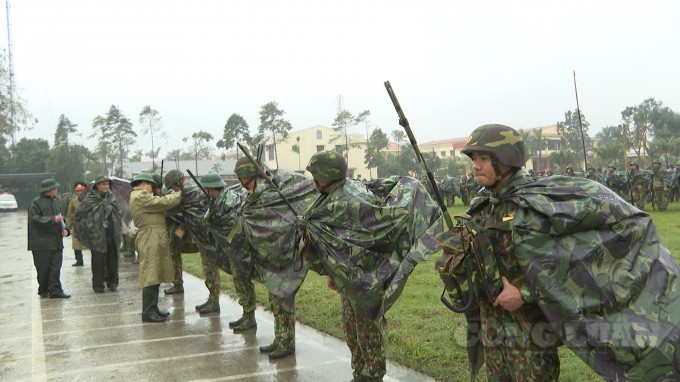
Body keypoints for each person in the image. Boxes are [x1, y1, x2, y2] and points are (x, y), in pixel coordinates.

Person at [436, 124, 680, 382]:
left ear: (506, 159)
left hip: (529, 332)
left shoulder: (542, 204)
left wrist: (524, 294)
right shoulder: (482, 207)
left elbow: (575, 261)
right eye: (474, 159)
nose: (475, 165)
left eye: (483, 158)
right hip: (491, 328)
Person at [300, 151, 442, 381]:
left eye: (315, 173)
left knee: (367, 330)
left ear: (326, 175)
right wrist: (332, 272)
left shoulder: (347, 198)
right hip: (349, 277)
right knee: (351, 328)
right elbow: (337, 243)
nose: (312, 178)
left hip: (366, 278)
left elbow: (360, 237)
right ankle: (360, 372)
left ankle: (372, 374)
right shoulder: (331, 195)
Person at [233, 157, 317, 359]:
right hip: (269, 257)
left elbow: (279, 221)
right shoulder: (256, 195)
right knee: (275, 299)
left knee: (284, 300)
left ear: (250, 177)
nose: (242, 183)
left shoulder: (270, 194)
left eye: (243, 178)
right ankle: (280, 338)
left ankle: (287, 343)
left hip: (284, 256)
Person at [129, 173, 183, 323]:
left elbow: (163, 210)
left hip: (154, 235)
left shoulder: (143, 197)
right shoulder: (140, 196)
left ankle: (153, 308)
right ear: (145, 184)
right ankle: (147, 312)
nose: (153, 189)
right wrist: (179, 194)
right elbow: (162, 203)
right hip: (149, 237)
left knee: (156, 273)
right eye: (151, 186)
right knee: (151, 274)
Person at [75, 175, 121, 293]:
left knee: (113, 258)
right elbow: (79, 215)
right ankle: (98, 285)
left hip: (111, 232)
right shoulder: (90, 199)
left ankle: (113, 282)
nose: (106, 186)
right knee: (97, 260)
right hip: (97, 235)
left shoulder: (112, 198)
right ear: (97, 186)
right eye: (103, 184)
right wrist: (87, 228)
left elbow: (117, 213)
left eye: (107, 184)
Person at [27, 178, 71, 298]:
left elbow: (61, 218)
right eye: (55, 188)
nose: (57, 190)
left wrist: (66, 230)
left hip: (56, 242)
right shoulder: (35, 203)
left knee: (56, 268)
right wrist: (52, 219)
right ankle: (43, 290)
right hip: (41, 244)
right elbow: (34, 219)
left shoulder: (55, 202)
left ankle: (55, 290)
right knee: (43, 269)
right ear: (50, 190)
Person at [162, 170, 186, 295]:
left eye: (174, 187)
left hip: (192, 232)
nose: (174, 190)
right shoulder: (176, 193)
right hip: (176, 232)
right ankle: (177, 283)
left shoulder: (190, 192)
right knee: (174, 257)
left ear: (179, 182)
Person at [66, 181, 88, 266]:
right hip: (77, 224)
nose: (80, 192)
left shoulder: (91, 199)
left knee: (93, 244)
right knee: (76, 244)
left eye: (82, 190)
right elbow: (70, 214)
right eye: (78, 191)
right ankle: (79, 260)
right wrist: (68, 227)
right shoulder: (73, 200)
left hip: (89, 224)